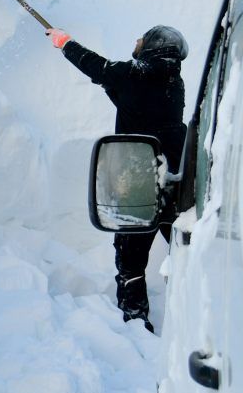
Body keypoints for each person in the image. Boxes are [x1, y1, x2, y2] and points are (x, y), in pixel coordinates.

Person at [46, 25, 189, 332]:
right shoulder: (174, 82)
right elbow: (133, 102)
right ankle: (193, 314)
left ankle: (136, 322)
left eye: (142, 38)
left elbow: (97, 66)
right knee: (186, 254)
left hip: (140, 185)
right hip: (177, 184)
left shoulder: (134, 74)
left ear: (154, 45)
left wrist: (65, 42)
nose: (137, 41)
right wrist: (110, 84)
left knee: (131, 261)